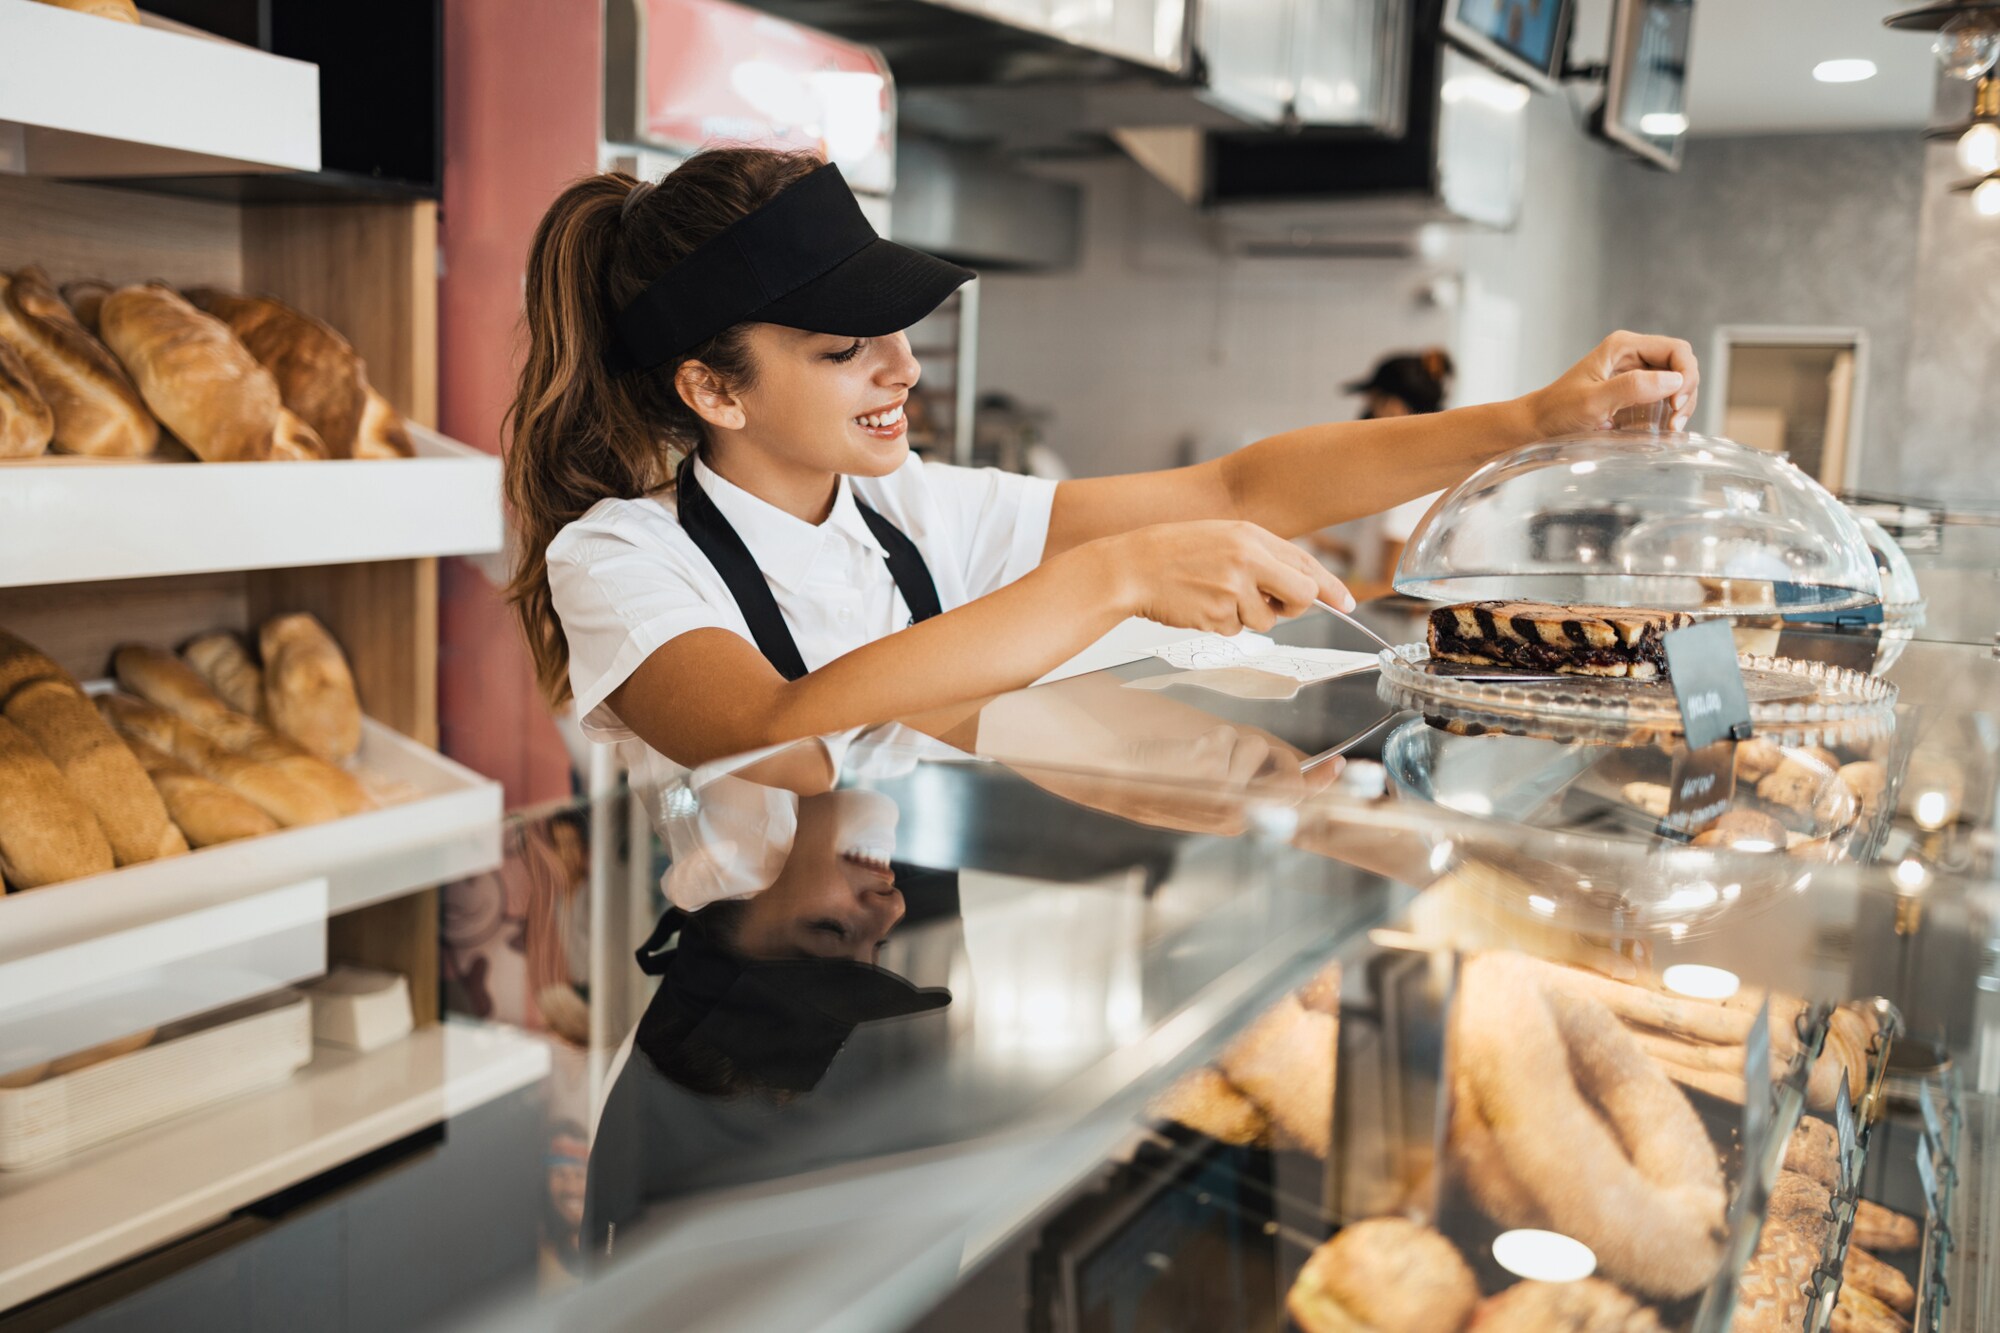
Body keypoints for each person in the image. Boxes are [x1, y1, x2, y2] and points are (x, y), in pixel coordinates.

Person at [504, 148, 1699, 789]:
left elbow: (1237, 493)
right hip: (728, 1052)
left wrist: (1534, 417)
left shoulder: (909, 511)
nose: (903, 369)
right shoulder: (618, 557)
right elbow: (770, 734)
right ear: (712, 390)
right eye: (842, 349)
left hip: (918, 984)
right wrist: (1111, 577)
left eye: (895, 332)